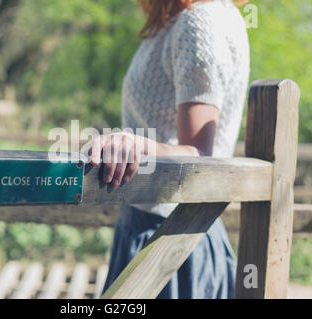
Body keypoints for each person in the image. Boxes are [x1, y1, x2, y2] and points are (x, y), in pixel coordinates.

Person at [88, 0, 250, 298]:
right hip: (152, 228)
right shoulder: (176, 19)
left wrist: (135, 144)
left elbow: (201, 155)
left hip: (172, 240)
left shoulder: (199, 21)